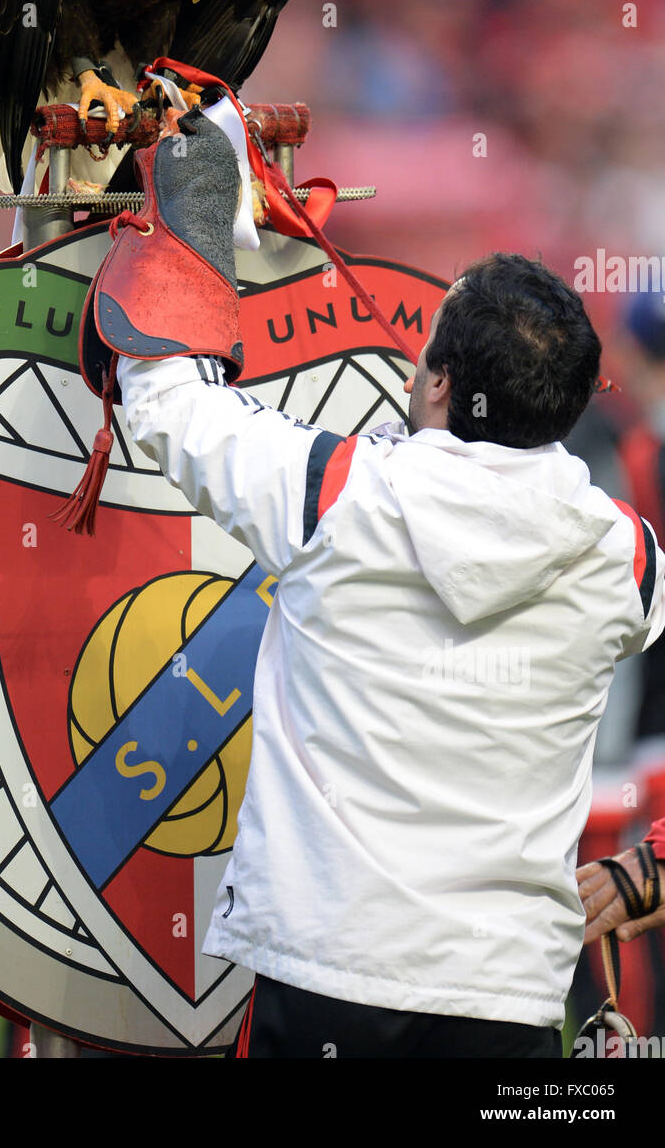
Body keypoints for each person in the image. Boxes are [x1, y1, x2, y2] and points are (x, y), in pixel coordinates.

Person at [83, 109, 665, 1057]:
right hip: (510, 1000)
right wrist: (654, 871)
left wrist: (197, 204)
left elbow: (163, 398)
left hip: (322, 977)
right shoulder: (624, 558)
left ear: (440, 385)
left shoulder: (339, 494)